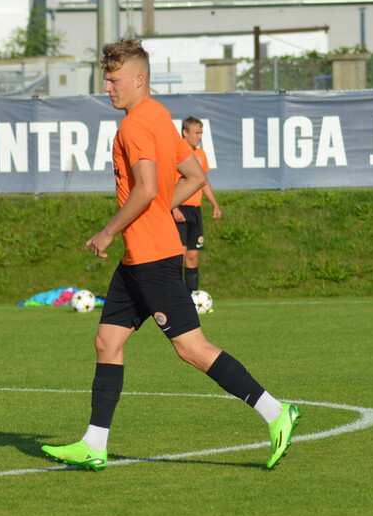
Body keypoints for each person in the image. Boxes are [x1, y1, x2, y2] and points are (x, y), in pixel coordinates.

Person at [40, 38, 299, 472]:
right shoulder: (160, 115)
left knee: (192, 348)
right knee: (107, 340)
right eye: (105, 78)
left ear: (138, 79)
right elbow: (195, 175)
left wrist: (107, 231)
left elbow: (144, 189)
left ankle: (276, 412)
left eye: (114, 78)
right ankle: (94, 444)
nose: (107, 86)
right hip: (136, 260)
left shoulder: (134, 126)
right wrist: (163, 206)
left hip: (153, 259)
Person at [171, 116, 222, 293]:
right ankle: (174, 296)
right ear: (185, 133)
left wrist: (214, 204)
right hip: (180, 210)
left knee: (193, 257)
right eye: (196, 132)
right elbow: (168, 183)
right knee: (180, 256)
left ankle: (191, 297)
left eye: (201, 133)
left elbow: (203, 181)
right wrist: (174, 208)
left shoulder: (200, 155)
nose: (199, 136)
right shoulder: (176, 153)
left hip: (195, 210)